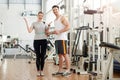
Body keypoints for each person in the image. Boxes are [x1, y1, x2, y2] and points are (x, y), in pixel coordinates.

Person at [47, 5, 71, 76]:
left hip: (62, 39)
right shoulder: (55, 20)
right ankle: (60, 70)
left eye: (56, 9)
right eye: (53, 10)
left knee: (65, 54)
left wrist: (60, 31)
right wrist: (50, 33)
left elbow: (68, 27)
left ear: (58, 10)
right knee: (60, 55)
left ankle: (68, 70)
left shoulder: (62, 17)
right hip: (57, 39)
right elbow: (56, 31)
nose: (55, 11)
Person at [24, 11, 50, 76]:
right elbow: (29, 31)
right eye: (39, 15)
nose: (40, 16)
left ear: (43, 16)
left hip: (44, 40)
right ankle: (38, 71)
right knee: (38, 56)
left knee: (43, 56)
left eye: (41, 15)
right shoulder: (34, 23)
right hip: (36, 40)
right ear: (37, 16)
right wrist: (26, 22)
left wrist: (48, 27)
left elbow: (47, 33)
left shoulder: (45, 23)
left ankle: (42, 70)